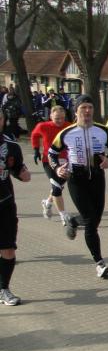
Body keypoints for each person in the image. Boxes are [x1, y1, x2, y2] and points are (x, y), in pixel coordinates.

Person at [49, 95, 108, 278]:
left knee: (95, 218)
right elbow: (51, 153)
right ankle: (99, 263)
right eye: (83, 108)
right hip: (76, 179)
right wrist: (57, 169)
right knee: (90, 221)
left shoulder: (104, 130)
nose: (87, 111)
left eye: (90, 107)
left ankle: (73, 221)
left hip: (97, 177)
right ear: (76, 111)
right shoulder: (67, 132)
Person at [0, 110, 32, 305]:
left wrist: (23, 174)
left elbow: (17, 170)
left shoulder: (11, 146)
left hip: (5, 204)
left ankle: (4, 288)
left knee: (8, 249)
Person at [30, 106, 73, 225]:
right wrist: (36, 149)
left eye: (62, 118)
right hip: (48, 161)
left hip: (65, 162)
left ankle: (47, 202)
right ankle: (63, 215)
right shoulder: (43, 126)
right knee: (57, 187)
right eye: (57, 118)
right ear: (51, 116)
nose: (60, 121)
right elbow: (34, 135)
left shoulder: (69, 126)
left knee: (58, 186)